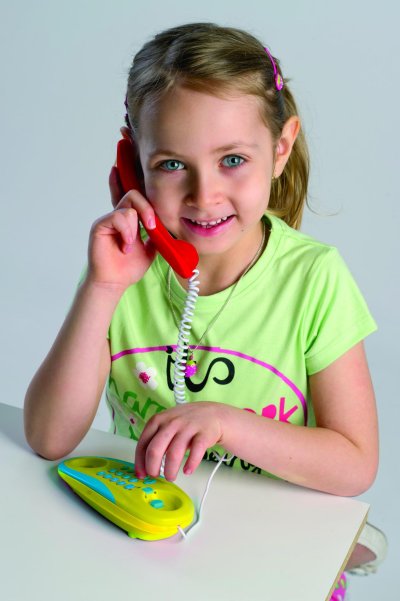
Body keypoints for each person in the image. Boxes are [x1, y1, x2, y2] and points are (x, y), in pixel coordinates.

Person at [24, 22, 387, 598]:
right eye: (172, 165)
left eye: (232, 159)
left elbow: (354, 464)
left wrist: (225, 422)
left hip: (274, 558)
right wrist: (103, 287)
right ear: (132, 162)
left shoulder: (314, 278)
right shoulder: (122, 273)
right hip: (152, 551)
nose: (204, 195)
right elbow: (49, 438)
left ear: (280, 149)